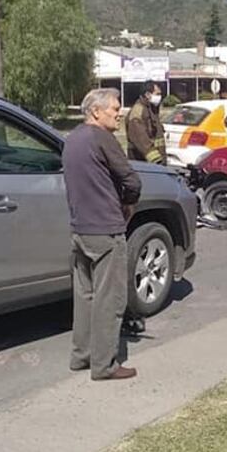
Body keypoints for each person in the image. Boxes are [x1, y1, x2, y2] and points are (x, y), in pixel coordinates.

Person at [62, 88, 142, 380]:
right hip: (106, 230)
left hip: (80, 229)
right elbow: (131, 179)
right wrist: (129, 203)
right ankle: (105, 365)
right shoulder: (102, 139)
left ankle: (80, 356)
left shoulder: (72, 140)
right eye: (114, 108)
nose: (119, 112)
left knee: (84, 297)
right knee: (110, 298)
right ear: (96, 111)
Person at [126, 81, 167, 165]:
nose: (159, 97)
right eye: (157, 94)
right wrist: (156, 159)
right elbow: (140, 138)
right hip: (143, 163)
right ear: (148, 94)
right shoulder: (138, 112)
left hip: (154, 164)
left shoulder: (151, 109)